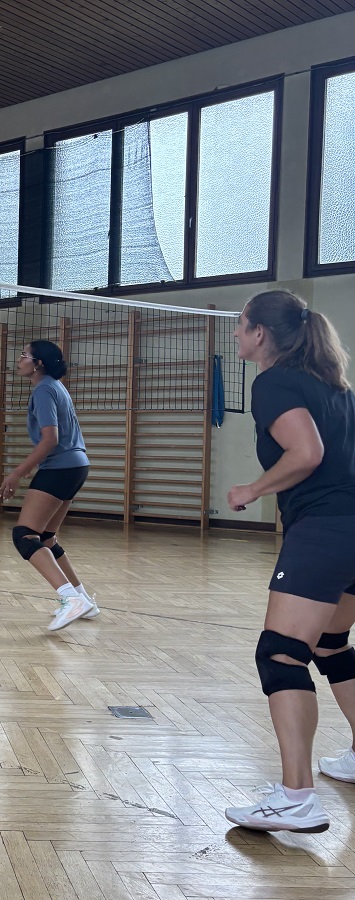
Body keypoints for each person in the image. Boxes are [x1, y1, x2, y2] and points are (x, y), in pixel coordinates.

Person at [222, 290, 355, 835]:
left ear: (260, 333)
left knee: (280, 655)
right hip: (348, 529)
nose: (236, 334)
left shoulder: (273, 382)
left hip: (325, 530)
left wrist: (252, 489)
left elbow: (308, 454)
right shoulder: (334, 385)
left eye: (240, 325)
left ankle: (296, 798)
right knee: (331, 644)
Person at [0, 340, 99, 632]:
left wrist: (17, 473)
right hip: (77, 465)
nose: (19, 360)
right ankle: (82, 598)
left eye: (24, 355)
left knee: (24, 535)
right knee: (46, 537)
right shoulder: (55, 386)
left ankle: (70, 599)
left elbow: (50, 439)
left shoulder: (43, 389)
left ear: (38, 363)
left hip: (60, 467)